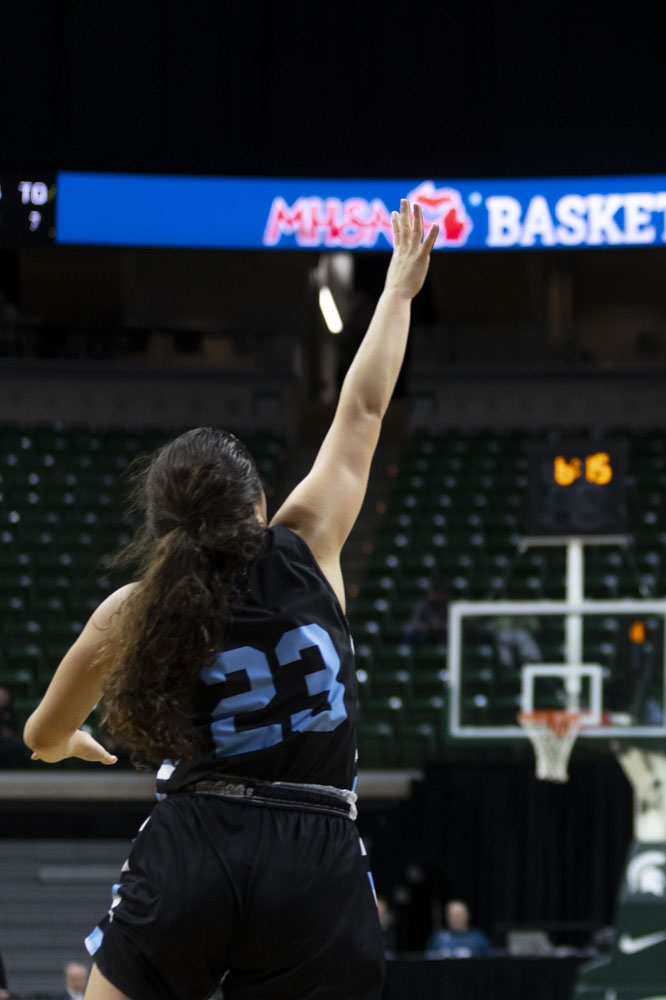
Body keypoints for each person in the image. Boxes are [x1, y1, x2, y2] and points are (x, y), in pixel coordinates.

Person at [23, 200, 438, 1000]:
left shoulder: (130, 609)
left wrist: (66, 741)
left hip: (198, 842)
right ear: (259, 501)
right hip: (317, 849)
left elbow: (42, 732)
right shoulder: (309, 542)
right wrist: (397, 293)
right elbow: (363, 407)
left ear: (166, 525)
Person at [424, 900, 492, 958]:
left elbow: (489, 960)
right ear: (447, 917)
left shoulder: (478, 937)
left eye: (460, 914)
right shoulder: (438, 938)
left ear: (468, 915)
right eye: (453, 915)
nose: (457, 919)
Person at [0, 687, 26, 768]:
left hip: (11, 739)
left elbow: (16, 726)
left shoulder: (10, 710)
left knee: (19, 743)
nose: (4, 698)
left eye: (5, 696)